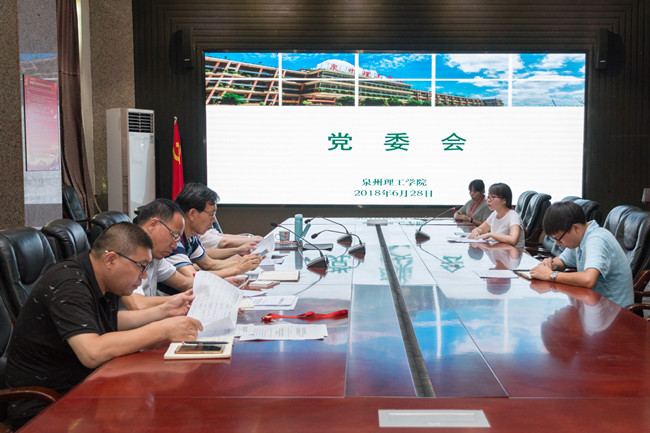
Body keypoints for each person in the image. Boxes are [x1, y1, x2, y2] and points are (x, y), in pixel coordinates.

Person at [6, 223, 202, 428]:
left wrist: (164, 311)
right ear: (111, 260)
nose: (144, 275)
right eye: (141, 266)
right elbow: (92, 352)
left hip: (86, 386)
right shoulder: (70, 285)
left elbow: (106, 321)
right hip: (48, 406)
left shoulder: (102, 277)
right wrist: (162, 329)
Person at [529, 201, 633, 307]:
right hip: (592, 304)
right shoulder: (580, 239)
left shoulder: (597, 239)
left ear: (575, 228)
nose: (557, 243)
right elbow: (562, 261)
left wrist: (551, 275)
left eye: (558, 238)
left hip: (614, 311)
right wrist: (551, 264)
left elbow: (589, 279)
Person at [166, 183, 263, 285]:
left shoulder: (191, 237)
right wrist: (237, 268)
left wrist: (244, 263)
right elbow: (193, 277)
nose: (213, 220)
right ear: (192, 214)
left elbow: (209, 264)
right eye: (211, 214)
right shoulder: (173, 240)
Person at [121, 198, 194, 309]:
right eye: (174, 236)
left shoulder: (155, 255)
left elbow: (184, 282)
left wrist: (214, 284)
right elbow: (137, 304)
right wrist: (180, 299)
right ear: (153, 224)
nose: (175, 246)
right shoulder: (126, 251)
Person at [468, 182, 525, 248]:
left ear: (504, 200)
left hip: (513, 252)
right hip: (499, 250)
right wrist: (476, 231)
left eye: (493, 197)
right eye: (488, 197)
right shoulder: (495, 213)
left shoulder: (513, 216)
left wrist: (490, 235)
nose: (489, 200)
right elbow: (481, 229)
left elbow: (513, 240)